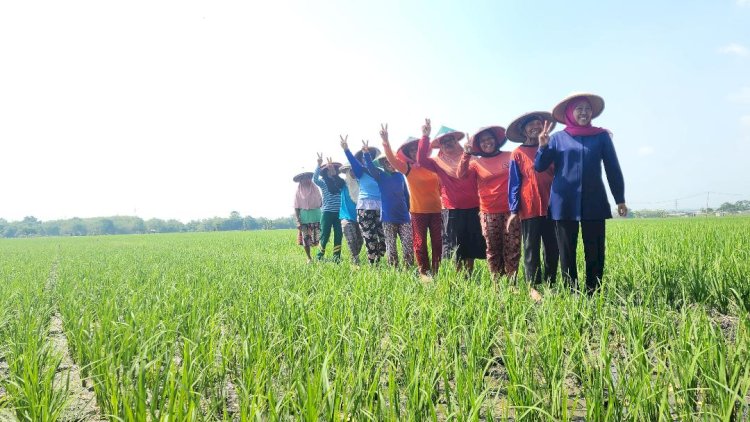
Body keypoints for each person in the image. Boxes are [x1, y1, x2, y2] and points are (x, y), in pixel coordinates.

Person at [535, 93, 627, 294]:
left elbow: (612, 167)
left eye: (587, 108)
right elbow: (540, 167)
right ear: (570, 112)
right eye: (579, 108)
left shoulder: (601, 136)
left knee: (594, 250)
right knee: (566, 251)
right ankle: (571, 292)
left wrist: (619, 198)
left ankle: (593, 291)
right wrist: (542, 146)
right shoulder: (557, 138)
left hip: (593, 200)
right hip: (563, 202)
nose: (584, 112)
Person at [415, 119, 486, 276]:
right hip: (452, 210)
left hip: (474, 208)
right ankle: (460, 278)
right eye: (443, 141)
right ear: (440, 146)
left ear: (456, 141)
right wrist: (425, 137)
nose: (448, 143)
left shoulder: (470, 157)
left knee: (470, 247)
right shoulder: (437, 162)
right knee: (457, 248)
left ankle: (469, 276)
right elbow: (420, 160)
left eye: (450, 139)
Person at [456, 126, 521, 284]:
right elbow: (461, 174)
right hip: (488, 212)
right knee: (493, 249)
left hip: (511, 211)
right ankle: (496, 283)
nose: (487, 142)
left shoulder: (510, 155)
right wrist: (466, 153)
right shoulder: (476, 163)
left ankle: (512, 282)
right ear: (479, 145)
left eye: (489, 138)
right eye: (483, 140)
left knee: (513, 247)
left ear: (496, 140)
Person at [507, 112, 559, 297]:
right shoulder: (517, 153)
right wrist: (513, 209)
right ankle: (533, 286)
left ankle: (551, 283)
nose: (535, 127)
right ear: (523, 130)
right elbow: (514, 183)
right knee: (531, 248)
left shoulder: (552, 148)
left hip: (553, 206)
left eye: (538, 123)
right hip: (529, 207)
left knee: (553, 247)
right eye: (530, 125)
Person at [380, 124, 442, 277]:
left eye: (418, 148)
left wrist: (426, 135)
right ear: (408, 153)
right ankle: (424, 273)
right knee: (420, 243)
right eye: (412, 150)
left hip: (436, 210)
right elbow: (392, 160)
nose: (415, 152)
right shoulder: (407, 168)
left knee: (437, 243)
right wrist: (386, 142)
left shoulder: (432, 165)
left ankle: (436, 271)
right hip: (418, 212)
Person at [363, 141, 414, 268]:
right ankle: (394, 269)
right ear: (382, 164)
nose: (390, 164)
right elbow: (370, 167)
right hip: (388, 218)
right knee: (391, 247)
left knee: (408, 244)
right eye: (386, 162)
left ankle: (408, 268)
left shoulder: (400, 176)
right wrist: (366, 155)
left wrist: (409, 211)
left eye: (391, 161)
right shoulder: (379, 175)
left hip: (404, 217)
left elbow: (406, 195)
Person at [340, 135, 386, 264]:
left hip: (380, 208)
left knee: (383, 239)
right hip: (365, 208)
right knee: (370, 238)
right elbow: (353, 162)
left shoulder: (379, 171)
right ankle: (374, 266)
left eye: (370, 156)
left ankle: (379, 258)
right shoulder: (360, 172)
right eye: (365, 156)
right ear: (361, 160)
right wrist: (346, 149)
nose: (367, 159)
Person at [312, 154, 344, 262]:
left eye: (333, 169)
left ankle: (336, 257)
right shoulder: (323, 182)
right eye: (328, 169)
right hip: (327, 213)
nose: (331, 171)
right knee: (325, 235)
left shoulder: (340, 182)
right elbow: (315, 179)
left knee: (339, 235)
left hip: (339, 213)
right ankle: (319, 256)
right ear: (325, 172)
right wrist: (318, 164)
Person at [293, 171, 322, 263]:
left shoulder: (315, 189)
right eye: (304, 178)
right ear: (301, 180)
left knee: (319, 239)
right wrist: (298, 221)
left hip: (317, 217)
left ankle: (320, 257)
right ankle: (309, 258)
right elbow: (296, 207)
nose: (307, 180)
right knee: (306, 239)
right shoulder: (298, 192)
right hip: (305, 219)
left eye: (309, 177)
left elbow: (320, 203)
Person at [339, 164, 364, 265]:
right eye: (351, 171)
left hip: (360, 216)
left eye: (355, 170)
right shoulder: (343, 184)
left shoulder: (361, 183)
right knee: (351, 239)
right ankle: (355, 262)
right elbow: (334, 181)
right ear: (347, 172)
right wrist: (332, 173)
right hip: (346, 217)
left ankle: (354, 257)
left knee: (360, 240)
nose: (353, 173)